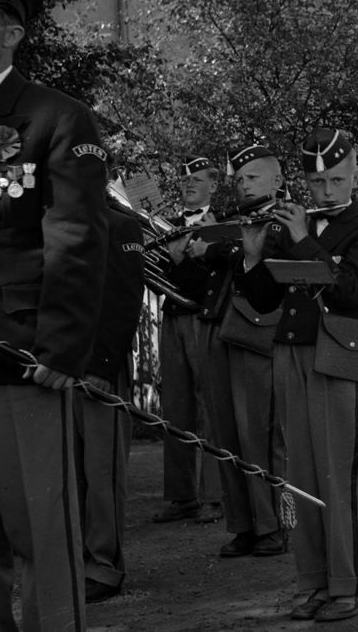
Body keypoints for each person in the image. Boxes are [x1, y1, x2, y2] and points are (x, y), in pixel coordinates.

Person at [0, 0, 108, 632]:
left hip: (25, 360)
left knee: (39, 534)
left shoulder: (56, 119)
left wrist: (61, 346)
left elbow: (77, 240)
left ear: (11, 31)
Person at [237, 128, 358, 621]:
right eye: (317, 181)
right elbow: (262, 302)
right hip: (291, 352)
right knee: (300, 476)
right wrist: (254, 254)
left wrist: (302, 240)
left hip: (340, 357)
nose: (326, 192)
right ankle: (312, 582)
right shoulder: (286, 227)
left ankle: (347, 584)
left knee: (340, 475)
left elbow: (350, 291)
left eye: (336, 180)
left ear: (355, 173)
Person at [201, 144, 289, 558]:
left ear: (277, 180)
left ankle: (274, 524)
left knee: (261, 434)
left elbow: (261, 259)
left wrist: (219, 248)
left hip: (258, 333)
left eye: (252, 178)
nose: (243, 185)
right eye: (239, 180)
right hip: (223, 329)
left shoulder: (284, 220)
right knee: (227, 435)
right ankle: (243, 524)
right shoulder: (233, 222)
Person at [77, 157, 146, 604]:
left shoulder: (120, 225)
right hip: (54, 363)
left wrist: (102, 365)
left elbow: (125, 300)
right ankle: (73, 558)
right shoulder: (53, 222)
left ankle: (103, 565)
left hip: (96, 366)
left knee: (100, 471)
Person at [153, 154, 227, 524]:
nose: (189, 185)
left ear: (213, 186)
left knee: (209, 405)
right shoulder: (165, 227)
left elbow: (209, 283)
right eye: (185, 180)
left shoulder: (221, 227)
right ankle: (181, 496)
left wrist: (180, 262)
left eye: (197, 179)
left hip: (202, 318)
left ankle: (214, 494)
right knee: (175, 407)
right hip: (172, 319)